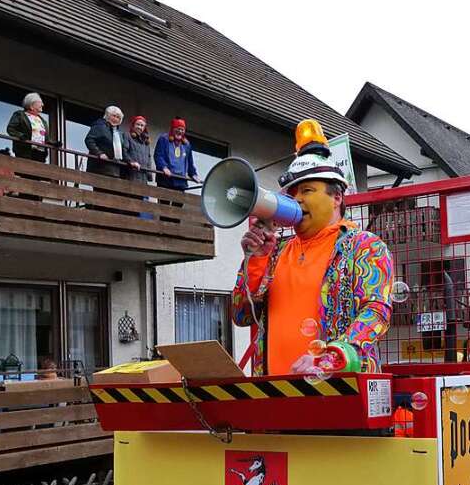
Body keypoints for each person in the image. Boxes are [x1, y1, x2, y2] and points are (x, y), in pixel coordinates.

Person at [231, 119, 393, 375]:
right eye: (292, 193)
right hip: (274, 394)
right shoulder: (275, 251)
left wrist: (333, 355)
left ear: (337, 197)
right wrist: (256, 260)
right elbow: (241, 316)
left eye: (307, 190)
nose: (297, 199)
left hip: (339, 392)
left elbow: (376, 312)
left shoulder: (365, 246)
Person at [153, 118, 199, 207]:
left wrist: (193, 174)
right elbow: (158, 156)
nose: (180, 131)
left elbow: (189, 162)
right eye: (178, 129)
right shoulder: (164, 139)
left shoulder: (187, 144)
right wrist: (164, 167)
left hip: (180, 182)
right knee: (164, 208)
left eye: (182, 130)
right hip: (166, 180)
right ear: (173, 129)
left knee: (177, 209)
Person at [6, 93, 50, 162]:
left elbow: (45, 138)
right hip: (25, 152)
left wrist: (53, 143)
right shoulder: (20, 115)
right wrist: (21, 136)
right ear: (31, 105)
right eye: (40, 102)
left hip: (40, 154)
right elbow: (10, 129)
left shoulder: (42, 120)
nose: (42, 105)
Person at [85, 106, 127, 178]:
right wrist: (99, 153)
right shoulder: (100, 126)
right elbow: (89, 140)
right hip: (100, 167)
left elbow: (123, 150)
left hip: (115, 169)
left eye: (118, 117)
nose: (115, 119)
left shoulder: (119, 133)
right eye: (113, 116)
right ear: (107, 115)